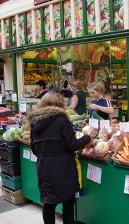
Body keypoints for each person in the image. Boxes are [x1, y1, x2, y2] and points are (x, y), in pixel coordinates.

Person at [28, 92, 92, 224]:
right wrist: (87, 138)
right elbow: (72, 145)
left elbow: (34, 148)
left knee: (48, 201)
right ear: (60, 105)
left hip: (44, 167)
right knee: (68, 200)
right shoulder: (62, 120)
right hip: (64, 167)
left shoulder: (34, 122)